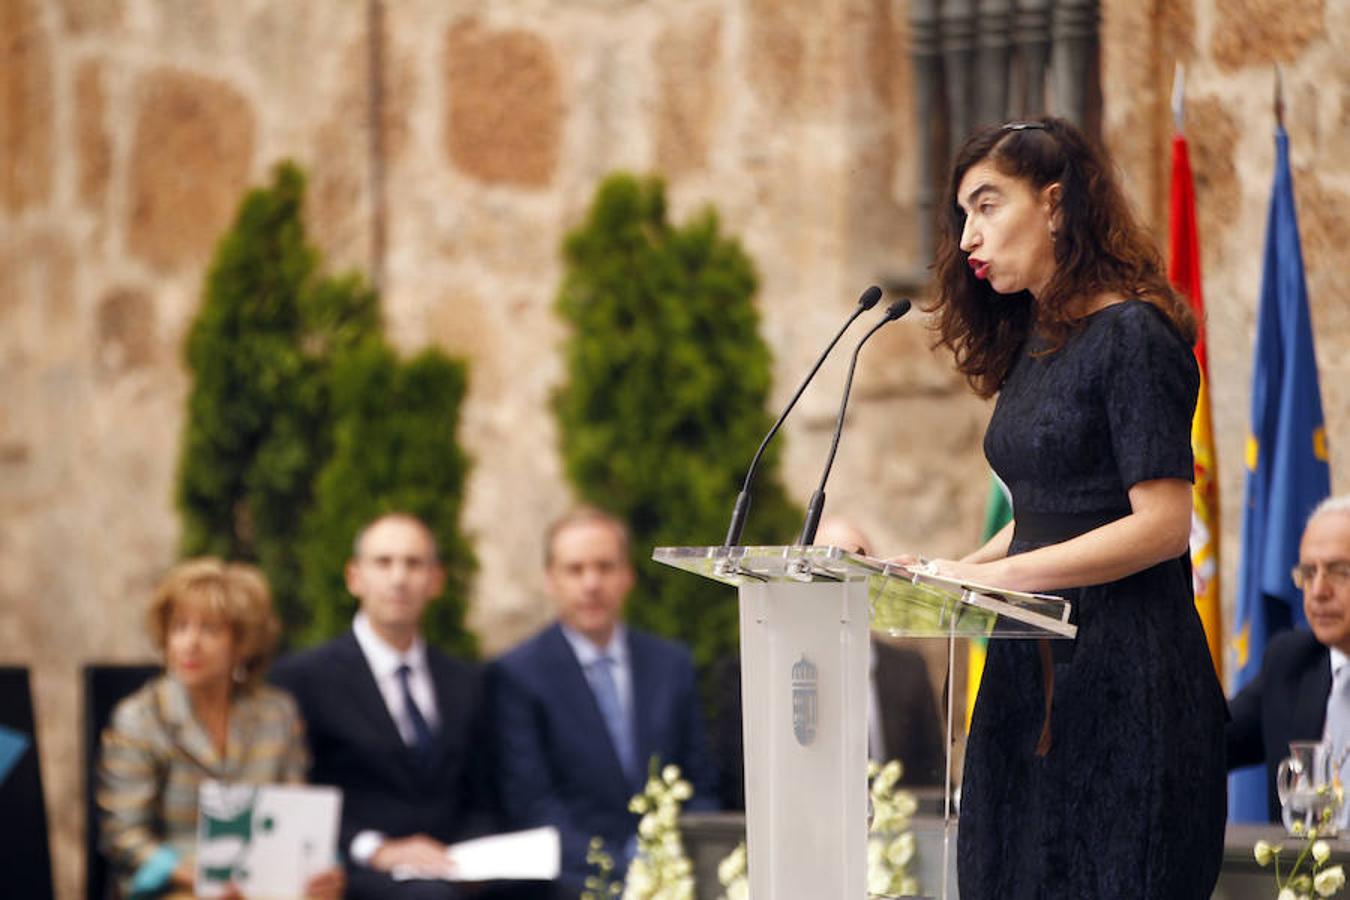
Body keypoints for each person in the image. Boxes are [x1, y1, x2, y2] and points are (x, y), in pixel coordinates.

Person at [918, 116, 1227, 898]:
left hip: (1127, 683)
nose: (968, 237)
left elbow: (1160, 524)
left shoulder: (1135, 335)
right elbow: (1046, 511)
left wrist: (998, 577)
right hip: (1030, 675)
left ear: (1054, 204)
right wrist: (944, 572)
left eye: (987, 206)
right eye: (962, 215)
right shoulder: (1040, 340)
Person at [488, 508, 719, 896]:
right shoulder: (517, 675)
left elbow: (701, 783)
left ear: (628, 575)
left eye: (605, 567)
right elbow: (532, 804)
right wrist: (621, 869)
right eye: (575, 569)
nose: (591, 583)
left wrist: (672, 861)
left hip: (675, 879)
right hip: (578, 880)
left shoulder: (671, 665)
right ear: (550, 580)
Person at [272, 513, 494, 899]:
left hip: (454, 865)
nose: (399, 578)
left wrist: (470, 853)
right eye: (383, 562)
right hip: (359, 870)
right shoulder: (303, 679)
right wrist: (377, 850)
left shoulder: (464, 680)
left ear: (436, 581)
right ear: (354, 577)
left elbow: (482, 791)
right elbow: (299, 793)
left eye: (414, 563)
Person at [97, 558, 343, 900]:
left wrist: (322, 869)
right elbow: (123, 834)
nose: (190, 644)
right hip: (176, 886)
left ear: (241, 644)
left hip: (266, 883)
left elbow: (296, 813)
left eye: (209, 630)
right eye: (179, 628)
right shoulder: (140, 717)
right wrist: (193, 873)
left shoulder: (277, 713)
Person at [708, 517, 946, 809]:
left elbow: (933, 779)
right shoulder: (755, 672)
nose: (840, 584)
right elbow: (737, 784)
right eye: (824, 572)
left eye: (855, 570)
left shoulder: (909, 671)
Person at [1228, 494, 1350, 822]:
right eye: (1308, 573)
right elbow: (1205, 742)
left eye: (1340, 572)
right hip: (1297, 873)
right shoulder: (1291, 661)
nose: (1318, 591)